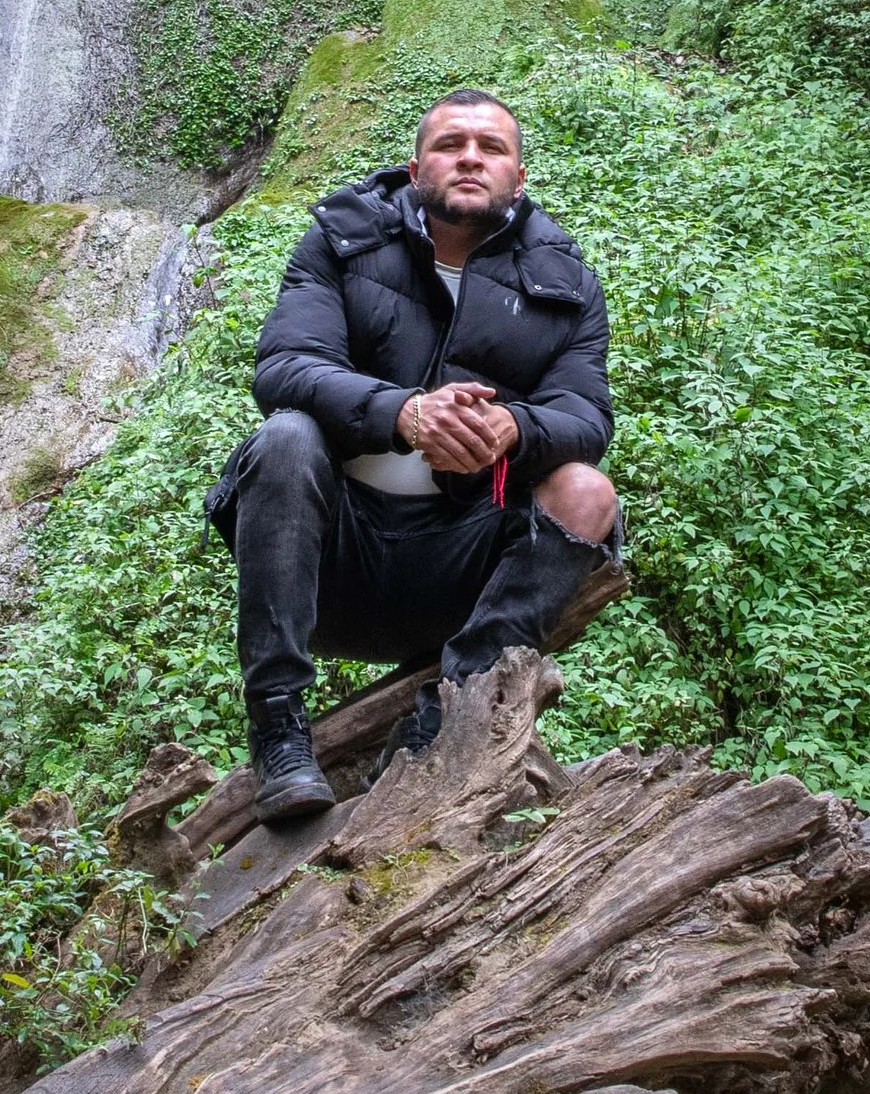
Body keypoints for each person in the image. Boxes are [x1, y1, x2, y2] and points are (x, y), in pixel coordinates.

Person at [207, 89, 621, 822]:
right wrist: (404, 412)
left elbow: (586, 417)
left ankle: (448, 710)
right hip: (330, 564)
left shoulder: (565, 284)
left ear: (518, 176)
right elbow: (284, 369)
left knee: (587, 491)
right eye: (451, 144)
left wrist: (513, 432)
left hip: (459, 571)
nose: (470, 158)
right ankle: (278, 725)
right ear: (415, 165)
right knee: (285, 437)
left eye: (490, 148)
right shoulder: (342, 242)